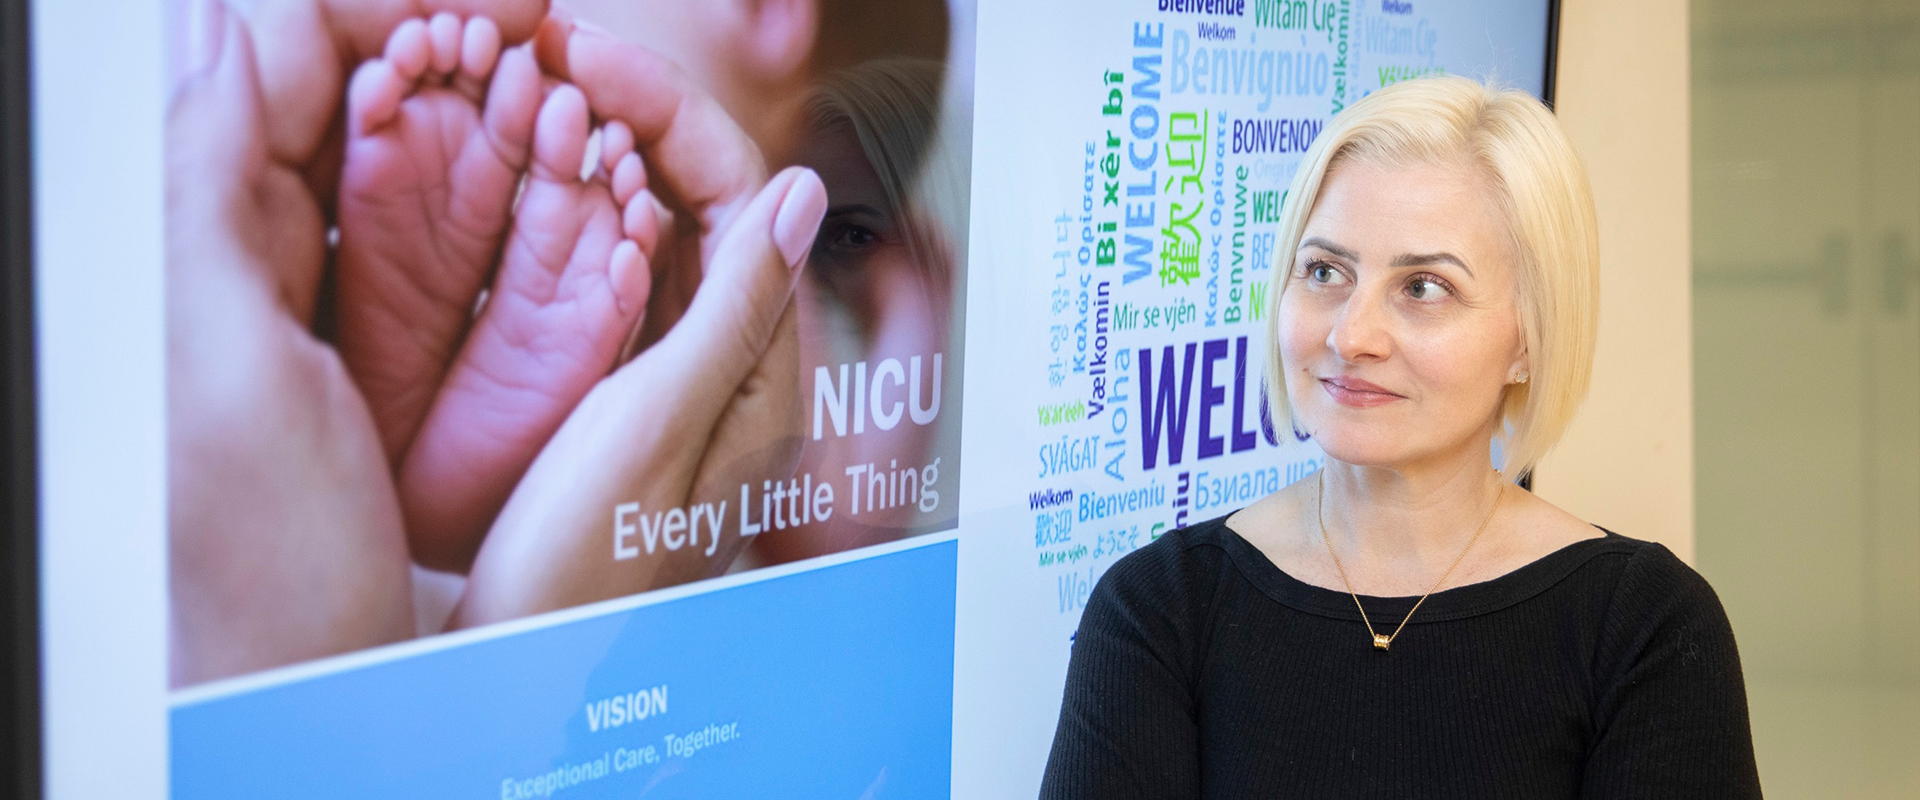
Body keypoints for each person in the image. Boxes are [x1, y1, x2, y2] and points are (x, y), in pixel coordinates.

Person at [1040, 76, 1762, 798]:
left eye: (1423, 287)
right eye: (1325, 271)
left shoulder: (1646, 629)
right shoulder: (1157, 609)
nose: (1351, 335)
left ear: (1528, 340)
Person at [167, 0, 826, 683]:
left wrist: (895, 314)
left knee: (547, 189)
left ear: (765, 13)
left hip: (281, 597)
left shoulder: (782, 248)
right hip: (484, 622)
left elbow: (825, 527)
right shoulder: (759, 253)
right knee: (561, 205)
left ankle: (462, 434)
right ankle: (454, 445)